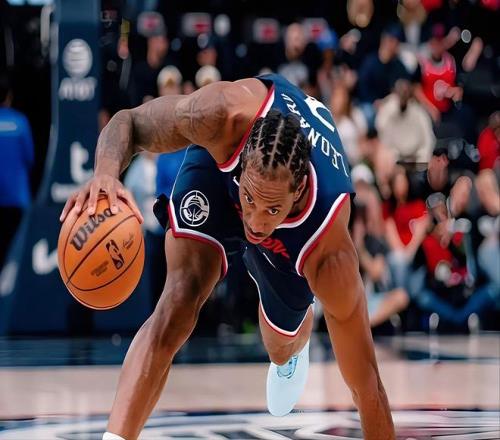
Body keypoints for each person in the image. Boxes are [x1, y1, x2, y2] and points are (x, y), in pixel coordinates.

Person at [60, 73, 395, 440]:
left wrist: (260, 205)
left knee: (279, 346)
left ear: (299, 189)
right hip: (220, 179)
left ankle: (295, 338)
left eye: (271, 209)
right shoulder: (219, 116)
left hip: (297, 234)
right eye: (250, 200)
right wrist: (106, 175)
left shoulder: (329, 251)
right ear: (244, 157)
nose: (255, 222)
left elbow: (368, 389)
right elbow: (130, 121)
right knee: (178, 300)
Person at [0, 75, 34, 269]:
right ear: (9, 97)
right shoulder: (20, 122)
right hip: (17, 199)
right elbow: (30, 158)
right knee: (16, 257)